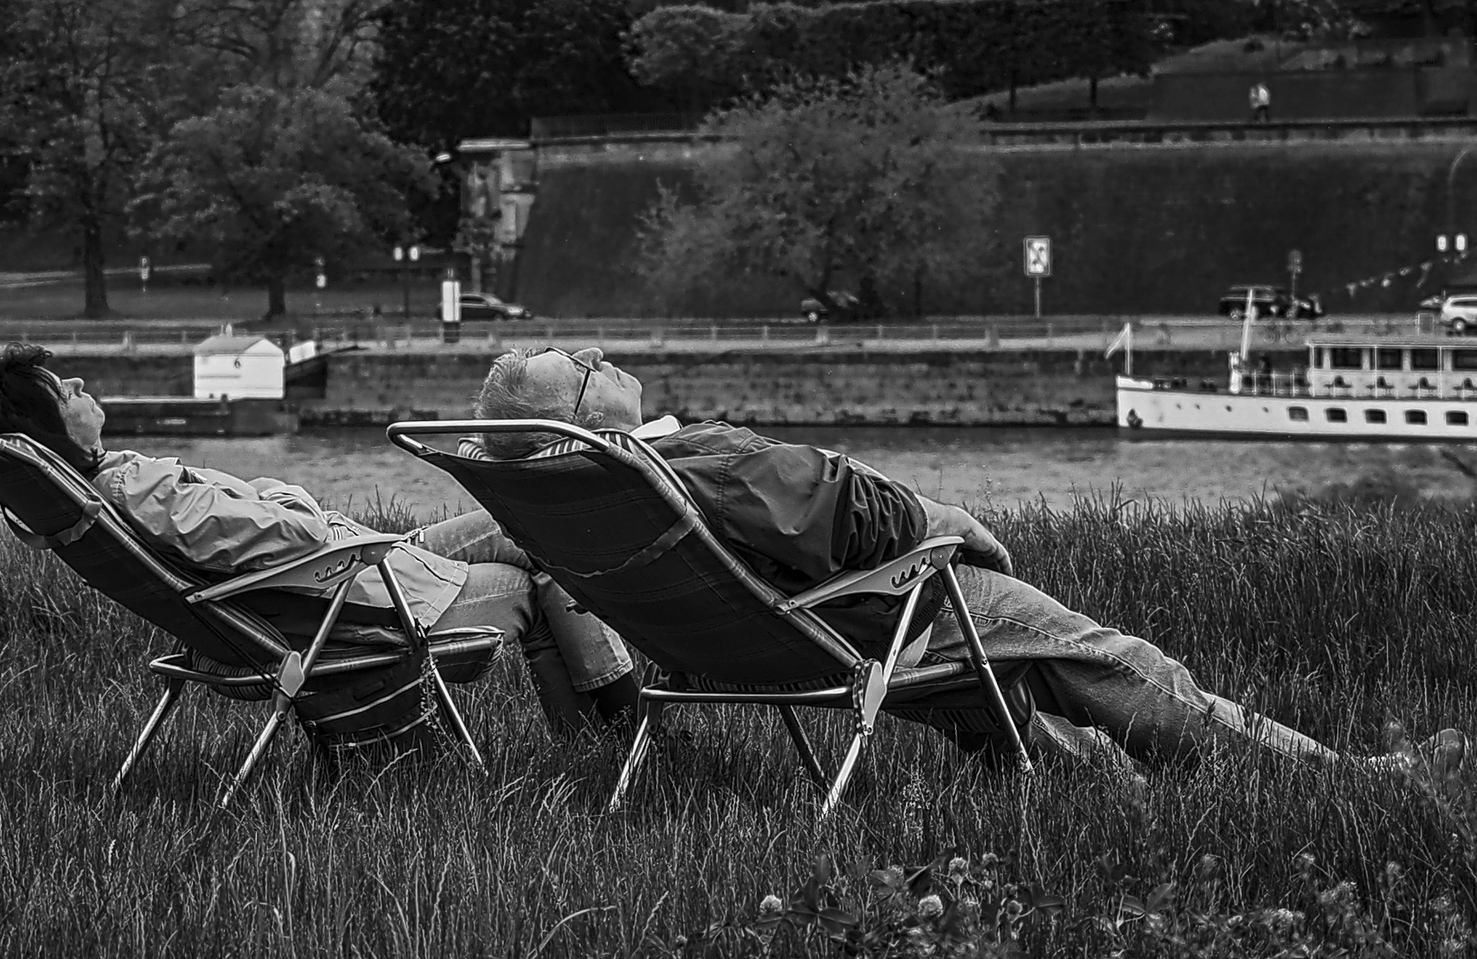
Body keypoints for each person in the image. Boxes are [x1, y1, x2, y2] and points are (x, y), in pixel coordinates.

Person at [471, 345, 1468, 784]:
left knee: (1031, 687)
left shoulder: (558, 500)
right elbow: (856, 518)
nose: (599, 354)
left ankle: (1070, 781)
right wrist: (951, 522)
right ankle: (1342, 784)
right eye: (583, 365)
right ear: (578, 419)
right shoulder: (697, 460)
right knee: (1114, 659)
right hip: (880, 615)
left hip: (769, 641)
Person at [0, 343, 639, 737]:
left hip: (338, 579)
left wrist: (290, 506)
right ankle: (609, 731)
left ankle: (617, 717)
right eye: (57, 388)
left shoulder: (109, 491)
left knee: (535, 525)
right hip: (362, 594)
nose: (75, 381)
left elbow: (254, 533)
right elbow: (275, 538)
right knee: (545, 557)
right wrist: (306, 507)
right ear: (46, 427)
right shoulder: (141, 493)